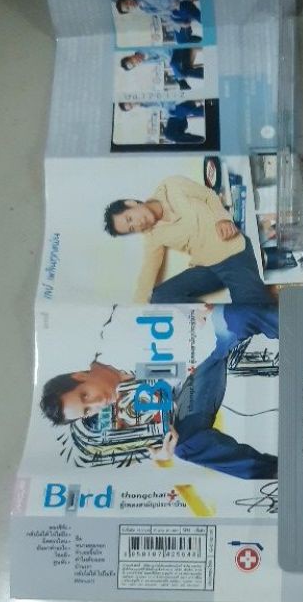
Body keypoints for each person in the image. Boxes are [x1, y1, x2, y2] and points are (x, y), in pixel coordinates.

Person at [39, 304, 278, 480]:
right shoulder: (118, 410)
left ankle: (297, 319)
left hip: (209, 332)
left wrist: (195, 310)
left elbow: (162, 302)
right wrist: (161, 450)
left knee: (232, 318)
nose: (98, 403)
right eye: (87, 411)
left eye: (85, 396)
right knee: (184, 445)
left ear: (79, 376)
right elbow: (173, 389)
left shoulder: (114, 335)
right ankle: (278, 472)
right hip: (199, 374)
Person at [103, 176, 272, 305]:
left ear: (131, 203)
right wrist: (135, 309)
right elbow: (148, 271)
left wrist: (222, 219)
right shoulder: (153, 236)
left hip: (232, 253)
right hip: (206, 268)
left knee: (252, 310)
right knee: (160, 298)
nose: (138, 224)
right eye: (132, 229)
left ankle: (236, 316)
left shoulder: (171, 186)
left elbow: (208, 196)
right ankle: (209, 318)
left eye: (130, 219)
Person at [120, 49, 203, 79]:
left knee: (178, 71)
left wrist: (170, 61)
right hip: (173, 56)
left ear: (130, 56)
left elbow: (163, 50)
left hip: (173, 49)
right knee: (183, 72)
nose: (136, 63)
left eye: (132, 61)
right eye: (134, 65)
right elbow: (160, 60)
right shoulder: (144, 62)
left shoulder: (142, 48)